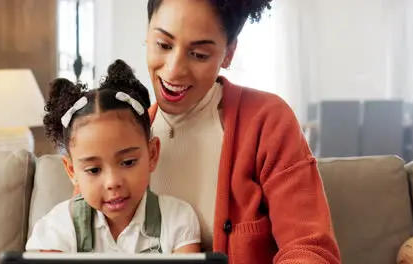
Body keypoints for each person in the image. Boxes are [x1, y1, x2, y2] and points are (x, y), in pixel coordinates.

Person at [144, 0, 342, 263]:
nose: (174, 69)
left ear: (228, 53)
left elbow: (310, 249)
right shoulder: (120, 135)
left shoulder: (267, 122)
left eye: (199, 54)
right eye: (164, 45)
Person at [26, 59, 201, 254]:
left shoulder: (177, 220)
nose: (112, 182)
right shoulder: (57, 229)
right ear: (71, 170)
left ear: (152, 154)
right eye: (94, 170)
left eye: (127, 162)